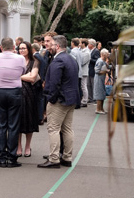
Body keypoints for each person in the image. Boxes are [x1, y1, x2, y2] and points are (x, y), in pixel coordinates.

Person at [38, 35, 80, 169]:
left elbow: (54, 83)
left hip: (60, 100)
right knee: (67, 128)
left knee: (53, 129)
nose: (49, 47)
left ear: (57, 46)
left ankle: (54, 158)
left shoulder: (58, 61)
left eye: (51, 45)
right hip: (71, 99)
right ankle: (67, 157)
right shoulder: (71, 59)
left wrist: (51, 98)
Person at [0, 36, 25, 168]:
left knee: (0, 124)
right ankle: (11, 156)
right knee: (13, 124)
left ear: (1, 47)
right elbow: (23, 71)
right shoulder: (20, 58)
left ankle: (1, 156)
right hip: (14, 91)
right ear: (14, 47)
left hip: (0, 91)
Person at [17, 41, 40, 158]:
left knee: (29, 120)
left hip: (30, 94)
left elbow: (32, 78)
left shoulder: (34, 61)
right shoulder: (16, 61)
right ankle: (19, 146)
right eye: (20, 48)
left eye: (24, 48)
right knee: (18, 120)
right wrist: (26, 76)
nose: (21, 50)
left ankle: (27, 146)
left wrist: (18, 77)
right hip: (17, 93)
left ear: (29, 49)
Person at [94, 48, 110, 114]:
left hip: (102, 79)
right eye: (107, 54)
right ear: (103, 54)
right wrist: (105, 71)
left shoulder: (103, 61)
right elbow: (97, 71)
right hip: (99, 79)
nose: (108, 55)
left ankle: (101, 108)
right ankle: (98, 109)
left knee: (102, 93)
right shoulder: (100, 61)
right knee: (99, 93)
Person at [87, 39, 100, 104]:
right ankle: (90, 98)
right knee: (88, 85)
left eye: (88, 43)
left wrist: (90, 59)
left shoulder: (96, 51)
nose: (87, 45)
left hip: (93, 70)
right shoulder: (89, 51)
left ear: (91, 44)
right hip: (89, 70)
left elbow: (97, 61)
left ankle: (94, 98)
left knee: (93, 85)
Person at [80, 39, 90, 107]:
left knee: (83, 86)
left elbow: (82, 62)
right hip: (81, 71)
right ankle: (83, 99)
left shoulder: (87, 52)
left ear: (83, 44)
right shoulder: (81, 50)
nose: (79, 44)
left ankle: (85, 100)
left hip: (84, 71)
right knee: (82, 86)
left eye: (80, 43)